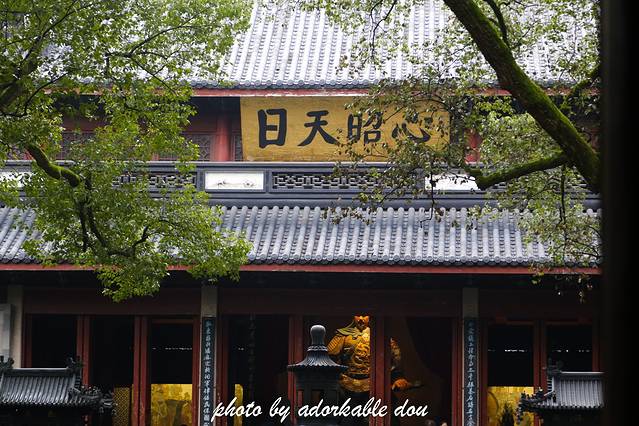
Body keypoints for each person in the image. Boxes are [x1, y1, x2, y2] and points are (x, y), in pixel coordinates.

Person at [327, 315, 419, 426]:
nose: (361, 319)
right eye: (358, 315)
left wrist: (397, 378)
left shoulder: (380, 337)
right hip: (348, 386)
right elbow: (330, 360)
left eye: (365, 315)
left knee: (386, 415)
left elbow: (394, 360)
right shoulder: (342, 336)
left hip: (375, 383)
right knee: (346, 418)